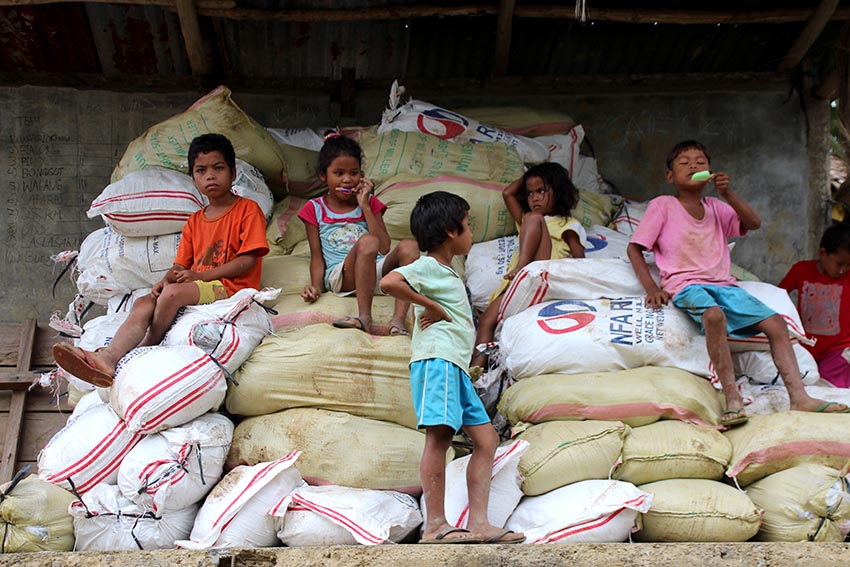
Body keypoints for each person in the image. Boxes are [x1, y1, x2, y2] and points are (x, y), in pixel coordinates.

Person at [626, 139, 848, 427]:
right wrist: (652, 288)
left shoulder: (716, 206)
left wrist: (728, 193)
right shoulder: (664, 205)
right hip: (686, 286)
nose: (693, 165)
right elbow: (635, 248)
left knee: (777, 325)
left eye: (700, 162)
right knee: (714, 316)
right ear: (670, 176)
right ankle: (732, 399)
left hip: (725, 286)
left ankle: (800, 397)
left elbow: (753, 223)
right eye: (684, 162)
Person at [53, 133, 269, 387]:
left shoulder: (247, 210)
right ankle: (107, 359)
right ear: (194, 178)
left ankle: (146, 347)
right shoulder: (195, 220)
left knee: (171, 296)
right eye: (201, 170)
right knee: (145, 301)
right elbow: (180, 265)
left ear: (233, 173)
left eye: (218, 168)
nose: (210, 175)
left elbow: (248, 261)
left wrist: (198, 277)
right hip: (198, 286)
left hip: (229, 287)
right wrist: (165, 280)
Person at [380, 191, 525, 545]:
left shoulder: (448, 270)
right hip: (437, 362)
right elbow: (388, 281)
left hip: (456, 369)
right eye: (468, 225)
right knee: (439, 437)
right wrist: (431, 306)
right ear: (449, 231)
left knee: (487, 440)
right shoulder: (428, 266)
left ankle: (480, 523)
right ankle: (435, 526)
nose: (472, 233)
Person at [298, 131, 419, 335]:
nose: (347, 180)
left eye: (354, 173)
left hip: (375, 270)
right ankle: (364, 317)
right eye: (339, 174)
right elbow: (317, 256)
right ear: (323, 175)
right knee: (367, 242)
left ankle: (397, 321)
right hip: (342, 276)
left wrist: (365, 205)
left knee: (410, 246)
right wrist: (316, 286)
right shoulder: (314, 208)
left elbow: (384, 247)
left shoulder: (369, 203)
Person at [471, 162, 587, 369]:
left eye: (541, 191)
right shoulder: (527, 221)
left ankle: (523, 267)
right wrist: (531, 175)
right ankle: (477, 370)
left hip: (543, 273)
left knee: (534, 219)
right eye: (530, 193)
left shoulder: (567, 224)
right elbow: (508, 194)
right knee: (487, 320)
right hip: (517, 283)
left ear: (558, 190)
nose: (534, 197)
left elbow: (580, 259)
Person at [779, 222, 850, 387]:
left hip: (838, 349)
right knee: (802, 378)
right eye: (840, 264)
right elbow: (779, 296)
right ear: (822, 253)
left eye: (849, 265)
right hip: (805, 347)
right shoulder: (801, 270)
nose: (844, 269)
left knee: (829, 382)